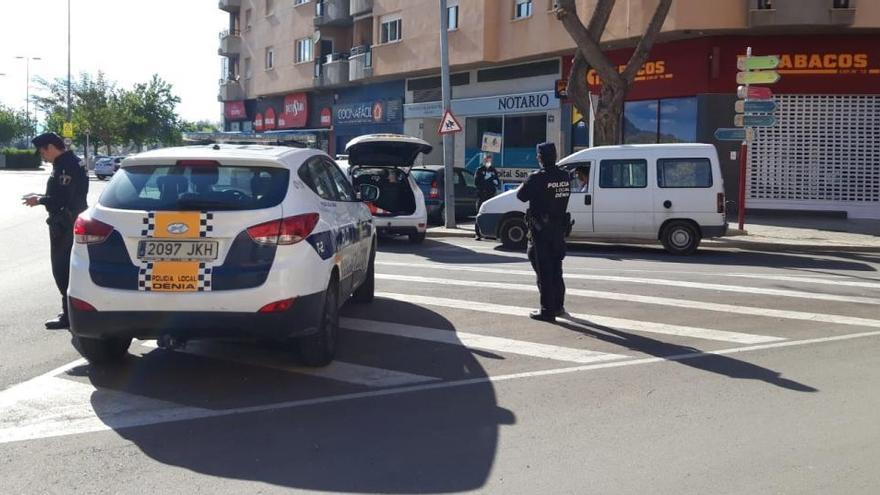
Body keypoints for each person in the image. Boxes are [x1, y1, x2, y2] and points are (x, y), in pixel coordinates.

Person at [22, 133, 89, 329]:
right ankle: (70, 312)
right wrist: (42, 196)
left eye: (42, 151)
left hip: (65, 223)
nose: (42, 156)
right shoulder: (73, 161)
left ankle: (69, 316)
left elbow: (61, 200)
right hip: (72, 219)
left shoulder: (64, 165)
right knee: (70, 268)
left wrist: (39, 200)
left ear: (50, 147)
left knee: (62, 270)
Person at [516, 142, 571, 322]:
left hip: (541, 232)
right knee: (556, 270)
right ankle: (558, 306)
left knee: (544, 271)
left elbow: (521, 196)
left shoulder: (537, 178)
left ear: (540, 158)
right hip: (559, 230)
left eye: (538, 156)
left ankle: (547, 311)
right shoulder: (565, 176)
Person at [474, 154, 501, 240]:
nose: (488, 162)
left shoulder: (493, 170)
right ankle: (478, 234)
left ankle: (490, 234)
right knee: (480, 213)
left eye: (490, 160)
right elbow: (476, 182)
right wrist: (485, 180)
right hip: (482, 195)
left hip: (491, 195)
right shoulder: (480, 170)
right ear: (484, 161)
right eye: (487, 160)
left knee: (491, 214)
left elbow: (497, 180)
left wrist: (496, 182)